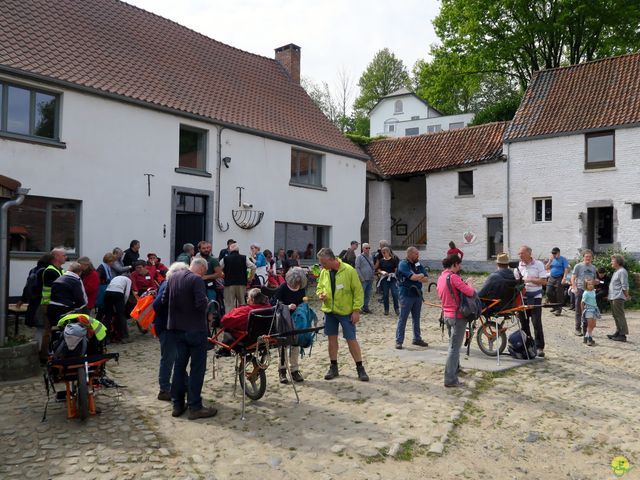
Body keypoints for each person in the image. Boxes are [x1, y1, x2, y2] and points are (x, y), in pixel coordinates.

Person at [162, 257, 217, 420]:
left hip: (176, 329)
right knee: (197, 368)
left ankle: (177, 404)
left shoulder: (172, 277)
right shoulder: (196, 280)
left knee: (179, 368)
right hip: (195, 329)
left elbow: (164, 300)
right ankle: (195, 406)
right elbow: (201, 304)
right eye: (205, 271)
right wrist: (208, 304)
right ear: (201, 268)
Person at [316, 248, 369, 382]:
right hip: (329, 311)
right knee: (331, 339)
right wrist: (321, 294)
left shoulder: (349, 270)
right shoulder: (324, 272)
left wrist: (356, 310)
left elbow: (358, 291)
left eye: (323, 263)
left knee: (351, 339)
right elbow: (320, 287)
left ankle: (360, 368)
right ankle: (333, 366)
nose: (322, 266)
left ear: (331, 259)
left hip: (346, 312)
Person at [436, 254, 476, 388]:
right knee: (454, 348)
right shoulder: (453, 277)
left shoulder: (441, 277)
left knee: (452, 345)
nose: (460, 267)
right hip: (457, 316)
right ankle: (450, 379)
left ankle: (456, 369)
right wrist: (470, 282)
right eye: (459, 265)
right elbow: (470, 292)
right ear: (454, 264)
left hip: (446, 316)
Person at [153, 262, 189, 401]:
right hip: (167, 327)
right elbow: (157, 305)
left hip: (172, 326)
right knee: (168, 358)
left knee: (178, 357)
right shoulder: (168, 284)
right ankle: (164, 390)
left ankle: (184, 383)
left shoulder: (169, 284)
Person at [272, 267, 308, 384]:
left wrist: (303, 305)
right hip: (283, 319)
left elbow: (302, 301)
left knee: (295, 344)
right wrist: (287, 307)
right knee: (283, 345)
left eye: (299, 283)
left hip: (296, 319)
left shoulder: (301, 288)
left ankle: (294, 370)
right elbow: (275, 303)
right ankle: (282, 370)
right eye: (295, 283)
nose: (296, 285)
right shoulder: (283, 287)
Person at [515, 245, 548, 358]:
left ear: (529, 253)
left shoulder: (538, 264)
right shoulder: (519, 265)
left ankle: (539, 347)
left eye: (522, 253)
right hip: (522, 297)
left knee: (536, 322)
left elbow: (544, 281)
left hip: (535, 296)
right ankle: (528, 345)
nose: (520, 256)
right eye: (519, 254)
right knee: (524, 323)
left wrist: (530, 280)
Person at [395, 246, 429, 350]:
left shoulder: (417, 264)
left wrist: (419, 275)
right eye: (416, 254)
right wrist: (419, 276)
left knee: (416, 317)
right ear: (410, 254)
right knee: (403, 318)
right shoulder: (403, 264)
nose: (418, 255)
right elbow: (412, 277)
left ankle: (417, 338)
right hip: (406, 294)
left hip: (417, 294)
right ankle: (399, 341)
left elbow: (426, 279)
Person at [37, 248, 65, 359]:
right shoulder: (50, 271)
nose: (65, 257)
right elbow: (59, 287)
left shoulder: (60, 270)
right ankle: (44, 356)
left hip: (56, 304)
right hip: (48, 304)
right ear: (56, 257)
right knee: (48, 330)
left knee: (55, 328)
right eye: (63, 255)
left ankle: (54, 351)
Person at [220, 243, 256, 313]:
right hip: (241, 283)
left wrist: (222, 275)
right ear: (238, 250)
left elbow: (218, 268)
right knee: (242, 303)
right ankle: (242, 319)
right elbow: (253, 267)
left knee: (229, 304)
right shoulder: (244, 257)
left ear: (230, 250)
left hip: (229, 284)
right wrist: (250, 278)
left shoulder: (225, 258)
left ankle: (229, 321)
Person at [570, 250, 598, 336]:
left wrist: (596, 282)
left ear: (592, 258)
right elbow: (573, 278)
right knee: (579, 310)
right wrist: (575, 288)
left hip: (589, 291)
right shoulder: (578, 266)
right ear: (583, 257)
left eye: (589, 257)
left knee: (588, 310)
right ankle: (577, 328)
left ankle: (585, 329)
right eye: (586, 256)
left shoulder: (593, 268)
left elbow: (594, 280)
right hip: (580, 289)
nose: (588, 258)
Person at [103, 273, 132, 342]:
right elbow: (127, 294)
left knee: (108, 316)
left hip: (107, 293)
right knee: (121, 315)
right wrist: (123, 304)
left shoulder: (115, 277)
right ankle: (125, 337)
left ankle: (106, 338)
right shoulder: (128, 280)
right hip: (118, 293)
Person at [608, 255, 630, 342]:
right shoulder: (616, 271)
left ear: (618, 262)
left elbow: (624, 285)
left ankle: (622, 335)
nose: (611, 262)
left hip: (618, 297)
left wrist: (626, 295)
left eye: (612, 261)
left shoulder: (622, 271)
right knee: (615, 315)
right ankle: (618, 331)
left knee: (620, 315)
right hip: (613, 297)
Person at [545, 247, 569, 316]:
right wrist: (550, 261)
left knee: (559, 294)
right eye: (553, 253)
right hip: (552, 277)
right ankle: (554, 306)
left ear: (558, 253)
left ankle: (559, 309)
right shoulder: (552, 259)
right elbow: (546, 267)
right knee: (548, 292)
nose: (554, 255)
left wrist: (564, 278)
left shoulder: (563, 259)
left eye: (555, 253)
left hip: (559, 277)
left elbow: (566, 269)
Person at [375, 246, 400, 316]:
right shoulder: (381, 261)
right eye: (382, 253)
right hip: (384, 279)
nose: (383, 254)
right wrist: (382, 272)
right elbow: (378, 269)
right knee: (385, 294)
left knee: (394, 293)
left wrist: (394, 274)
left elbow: (396, 269)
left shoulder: (393, 260)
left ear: (388, 252)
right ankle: (386, 309)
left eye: (384, 252)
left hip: (392, 278)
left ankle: (396, 309)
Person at [355, 243, 375, 314]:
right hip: (363, 279)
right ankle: (359, 308)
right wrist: (361, 277)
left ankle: (366, 307)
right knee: (361, 294)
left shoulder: (370, 256)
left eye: (369, 248)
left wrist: (373, 275)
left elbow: (372, 266)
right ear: (363, 249)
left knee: (368, 294)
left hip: (370, 279)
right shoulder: (359, 257)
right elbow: (357, 268)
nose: (368, 249)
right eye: (366, 248)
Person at [581, 280, 600, 346]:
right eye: (589, 284)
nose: (591, 285)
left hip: (594, 309)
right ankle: (589, 338)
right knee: (589, 325)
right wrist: (583, 311)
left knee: (593, 325)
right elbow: (582, 302)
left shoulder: (593, 291)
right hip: (588, 310)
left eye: (591, 284)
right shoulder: (586, 293)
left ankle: (586, 337)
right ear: (586, 285)